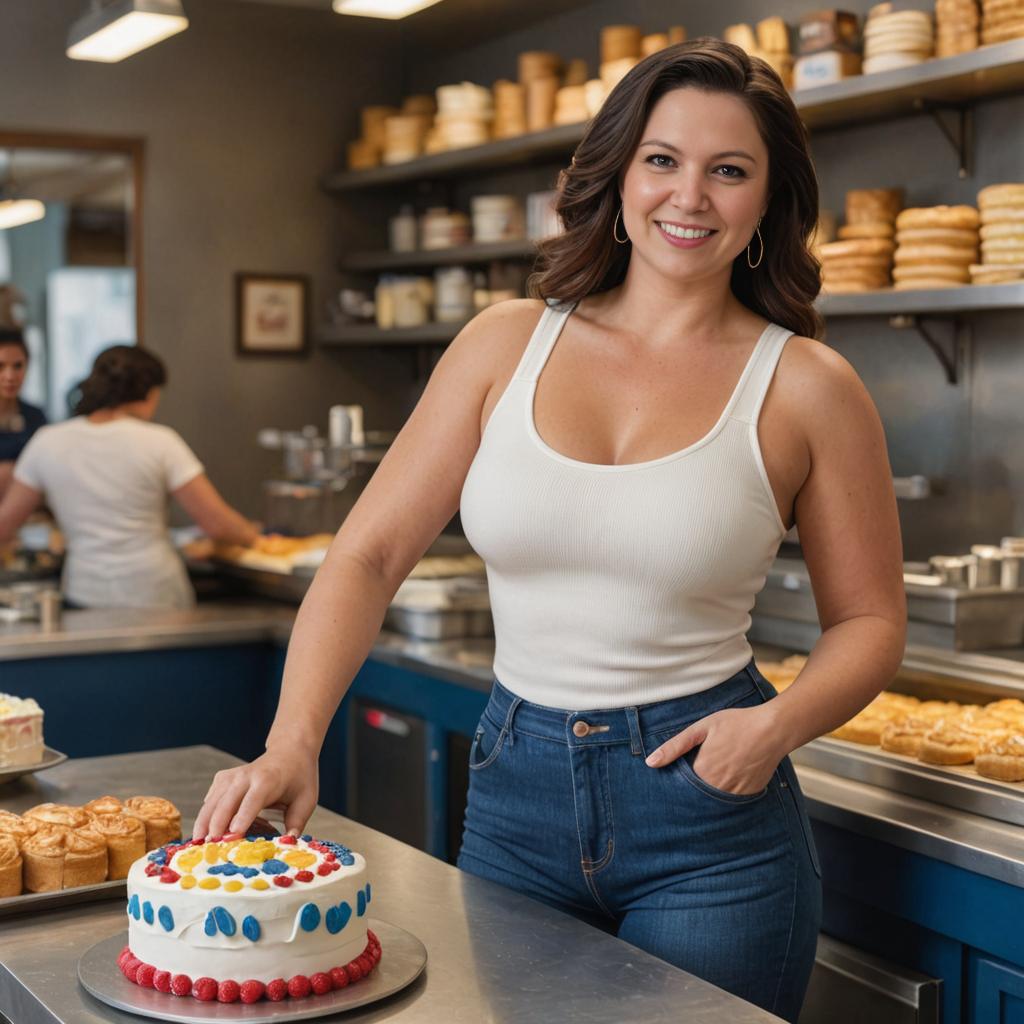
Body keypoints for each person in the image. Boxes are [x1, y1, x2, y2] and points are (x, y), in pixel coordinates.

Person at [192, 39, 906, 1022]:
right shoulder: (501, 344)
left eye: (728, 169)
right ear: (614, 176)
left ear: (766, 202)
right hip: (514, 798)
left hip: (711, 818)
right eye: (661, 160)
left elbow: (869, 620)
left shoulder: (809, 386)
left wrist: (774, 726)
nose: (688, 196)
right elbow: (367, 555)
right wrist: (291, 740)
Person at [0, 344, 258, 608]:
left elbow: (5, 524)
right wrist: (254, 536)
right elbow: (218, 523)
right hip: (154, 593)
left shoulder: (47, 442)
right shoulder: (160, 442)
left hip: (85, 594)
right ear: (148, 393)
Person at [0, 326, 46, 501]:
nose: (10, 376)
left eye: (18, 366)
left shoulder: (35, 416)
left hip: (27, 511)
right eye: (0, 366)